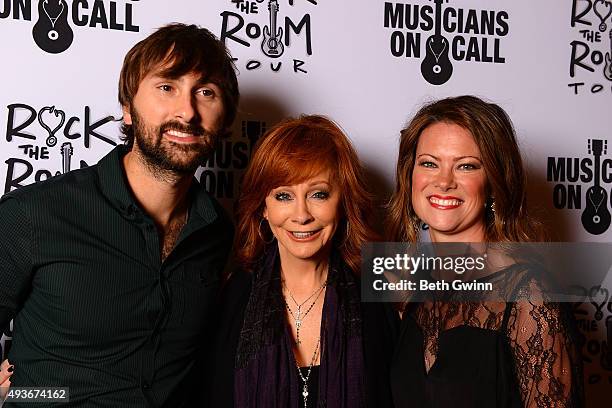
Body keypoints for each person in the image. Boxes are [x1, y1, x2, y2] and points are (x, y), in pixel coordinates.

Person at [0, 23, 238, 406]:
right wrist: (32, 394)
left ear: (224, 119)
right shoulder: (35, 214)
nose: (187, 111)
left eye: (205, 92)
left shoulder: (217, 233)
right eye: (167, 87)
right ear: (128, 108)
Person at [387, 95, 583, 408]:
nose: (444, 181)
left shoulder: (528, 295)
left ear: (493, 182)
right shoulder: (413, 292)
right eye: (429, 163)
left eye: (466, 166)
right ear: (410, 175)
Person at [208, 115, 397, 408]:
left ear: (343, 202)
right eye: (283, 196)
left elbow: (489, 269)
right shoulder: (234, 292)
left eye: (318, 194)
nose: (301, 215)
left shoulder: (385, 279)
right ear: (263, 208)